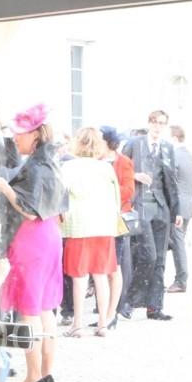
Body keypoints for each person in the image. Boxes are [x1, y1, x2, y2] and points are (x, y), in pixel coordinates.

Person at [0, 103, 67, 382]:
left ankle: (32, 375)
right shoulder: (49, 162)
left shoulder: (37, 167)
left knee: (27, 311)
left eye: (20, 134)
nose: (16, 139)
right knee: (44, 308)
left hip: (31, 240)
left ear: (35, 134)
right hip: (49, 238)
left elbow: (28, 209)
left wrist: (3, 187)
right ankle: (46, 373)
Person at [59, 127, 121, 337]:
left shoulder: (68, 167)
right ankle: (102, 324)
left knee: (79, 277)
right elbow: (117, 200)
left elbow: (61, 195)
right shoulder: (106, 168)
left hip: (78, 227)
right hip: (104, 227)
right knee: (101, 276)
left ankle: (77, 325)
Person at [121, 110, 181, 320]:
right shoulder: (134, 144)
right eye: (155, 122)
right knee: (147, 255)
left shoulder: (167, 147)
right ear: (149, 123)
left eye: (162, 124)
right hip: (140, 206)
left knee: (161, 258)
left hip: (161, 208)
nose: (158, 127)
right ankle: (128, 301)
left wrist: (177, 211)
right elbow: (118, 168)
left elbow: (171, 181)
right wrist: (134, 175)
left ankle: (154, 307)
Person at [101, 125, 134, 327]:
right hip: (98, 220)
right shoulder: (96, 162)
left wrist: (105, 192)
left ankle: (112, 312)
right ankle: (104, 313)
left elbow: (129, 190)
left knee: (115, 267)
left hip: (116, 219)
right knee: (102, 269)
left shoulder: (124, 162)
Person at [166, 124, 192, 293]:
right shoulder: (189, 155)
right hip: (188, 205)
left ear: (174, 138)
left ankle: (181, 280)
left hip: (178, 207)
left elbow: (172, 182)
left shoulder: (174, 155)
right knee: (178, 242)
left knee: (177, 243)